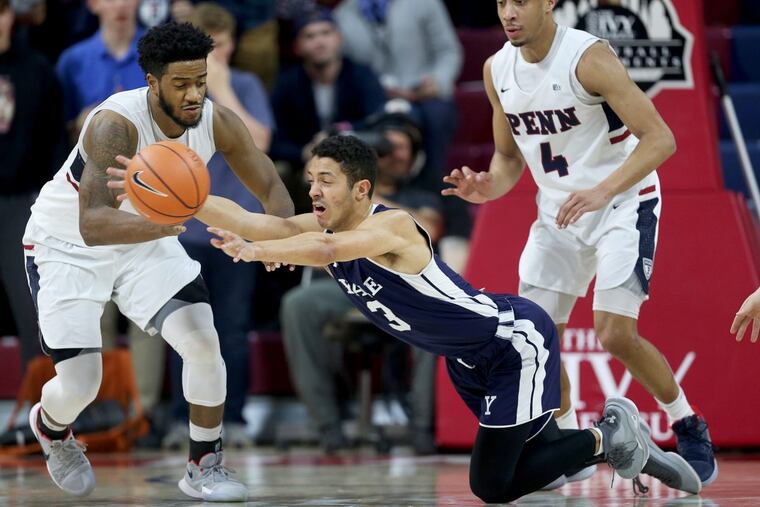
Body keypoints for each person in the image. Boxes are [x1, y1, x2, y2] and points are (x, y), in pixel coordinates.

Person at [108, 134, 700, 502]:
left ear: (360, 187)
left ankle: (609, 437)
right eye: (310, 180)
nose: (313, 191)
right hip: (468, 360)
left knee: (493, 487)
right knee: (536, 463)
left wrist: (261, 253)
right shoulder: (327, 224)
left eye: (326, 182)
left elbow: (320, 252)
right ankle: (618, 445)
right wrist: (165, 189)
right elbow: (252, 219)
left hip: (510, 342)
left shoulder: (390, 226)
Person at [441, 0, 716, 487]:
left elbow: (661, 139)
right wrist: (487, 186)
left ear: (549, 2)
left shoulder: (587, 58)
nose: (509, 12)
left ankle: (688, 422)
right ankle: (566, 444)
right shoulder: (496, 68)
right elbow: (508, 160)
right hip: (559, 213)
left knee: (613, 333)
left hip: (622, 200)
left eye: (521, 1)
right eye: (502, 1)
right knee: (535, 340)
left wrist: (602, 190)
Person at [23, 21, 293, 501]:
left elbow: (272, 188)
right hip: (67, 244)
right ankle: (50, 428)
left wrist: (280, 241)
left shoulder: (216, 120)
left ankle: (203, 466)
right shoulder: (115, 125)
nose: (194, 94)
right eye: (180, 83)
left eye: (200, 81)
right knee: (82, 384)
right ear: (152, 81)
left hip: (147, 237)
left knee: (203, 341)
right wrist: (174, 220)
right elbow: (95, 223)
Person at [280, 115, 441, 454]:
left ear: (416, 156)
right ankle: (328, 426)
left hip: (404, 291)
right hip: (350, 289)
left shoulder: (424, 194)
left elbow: (429, 227)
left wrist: (362, 194)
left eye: (400, 149)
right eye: (384, 147)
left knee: (437, 320)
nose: (392, 156)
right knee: (298, 304)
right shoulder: (339, 193)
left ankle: (423, 428)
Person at [160, 0, 276, 451]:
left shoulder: (244, 84)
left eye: (221, 48)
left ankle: (238, 418)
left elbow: (261, 141)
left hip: (234, 232)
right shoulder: (174, 93)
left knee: (231, 327)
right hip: (179, 231)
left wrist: (223, 86)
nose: (213, 58)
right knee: (181, 327)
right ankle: (177, 420)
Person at [269, 6, 386, 210]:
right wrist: (305, 152)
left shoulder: (361, 75)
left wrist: (333, 141)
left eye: (326, 33)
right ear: (297, 46)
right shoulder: (288, 84)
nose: (319, 41)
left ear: (339, 38)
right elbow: (275, 140)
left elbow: (378, 123)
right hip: (303, 166)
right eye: (310, 36)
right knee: (280, 170)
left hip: (353, 158)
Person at [0, 0, 65, 370]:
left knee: (35, 313)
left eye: (2, 11)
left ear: (12, 16)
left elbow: (55, 138)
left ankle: (42, 414)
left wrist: (46, 197)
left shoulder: (37, 69)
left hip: (21, 204)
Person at [55, 0, 145, 146]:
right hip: (91, 160)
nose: (120, 5)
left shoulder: (160, 56)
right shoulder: (72, 61)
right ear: (93, 3)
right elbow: (57, 131)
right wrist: (79, 125)